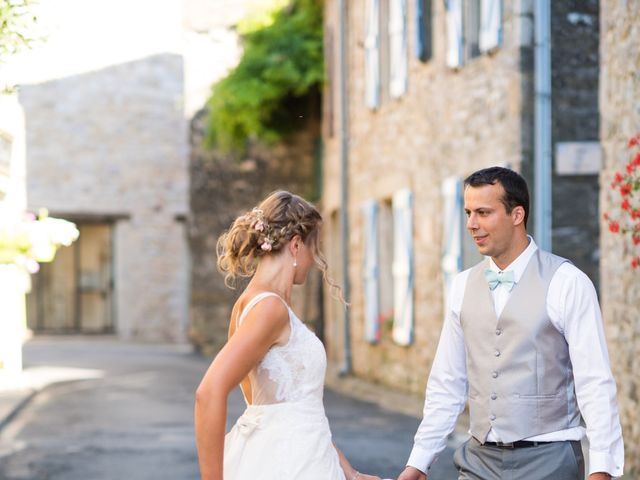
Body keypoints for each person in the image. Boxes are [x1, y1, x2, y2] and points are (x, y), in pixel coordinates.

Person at [398, 167, 624, 480]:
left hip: (550, 460)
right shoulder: (462, 285)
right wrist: (419, 461)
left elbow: (594, 382)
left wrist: (601, 467)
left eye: (483, 213)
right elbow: (447, 381)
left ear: (517, 214)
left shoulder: (567, 282)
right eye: (467, 212)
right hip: (478, 460)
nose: (471, 224)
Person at [195, 191, 381, 480]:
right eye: (314, 248)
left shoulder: (256, 305)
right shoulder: (269, 308)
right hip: (286, 466)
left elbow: (296, 409)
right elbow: (208, 393)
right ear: (295, 246)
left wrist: (351, 474)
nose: (316, 260)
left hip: (307, 459)